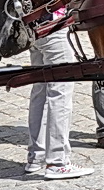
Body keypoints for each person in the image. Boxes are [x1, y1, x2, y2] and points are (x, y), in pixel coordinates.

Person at [27, 16, 91, 179]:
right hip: (55, 26)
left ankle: (36, 157)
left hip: (35, 28)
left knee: (39, 92)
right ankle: (58, 162)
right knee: (60, 93)